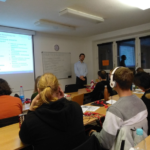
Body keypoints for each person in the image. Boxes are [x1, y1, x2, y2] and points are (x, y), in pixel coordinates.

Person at [19, 73, 87, 150]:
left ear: (38, 92)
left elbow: (25, 139)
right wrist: (63, 100)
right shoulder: (76, 107)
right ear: (59, 89)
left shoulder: (32, 120)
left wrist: (31, 109)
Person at [89, 67, 148, 150]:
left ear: (113, 83)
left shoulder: (114, 110)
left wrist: (92, 133)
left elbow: (104, 143)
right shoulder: (141, 102)